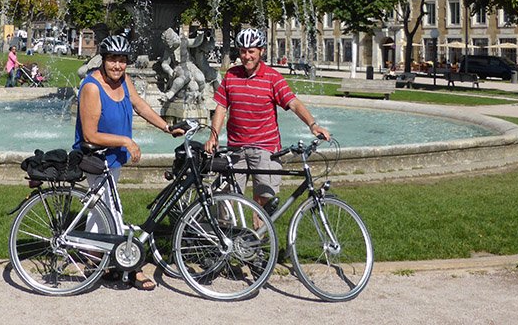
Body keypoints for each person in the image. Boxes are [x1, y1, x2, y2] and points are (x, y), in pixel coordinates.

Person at [74, 34, 179, 291]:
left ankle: (94, 259)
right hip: (96, 158)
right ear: (103, 59)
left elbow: (140, 105)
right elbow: (90, 134)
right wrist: (125, 141)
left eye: (122, 61)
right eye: (113, 60)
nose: (117, 66)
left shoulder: (123, 80)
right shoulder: (91, 86)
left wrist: (167, 127)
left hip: (113, 158)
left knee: (101, 210)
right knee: (113, 211)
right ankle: (130, 266)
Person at [204, 28, 330, 213]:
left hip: (265, 149)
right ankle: (226, 239)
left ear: (261, 51)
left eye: (251, 51)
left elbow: (293, 103)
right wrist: (213, 137)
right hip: (236, 149)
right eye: (243, 51)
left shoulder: (273, 78)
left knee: (262, 202)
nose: (247, 56)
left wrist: (312, 125)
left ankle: (260, 240)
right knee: (225, 200)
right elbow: (221, 107)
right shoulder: (231, 75)